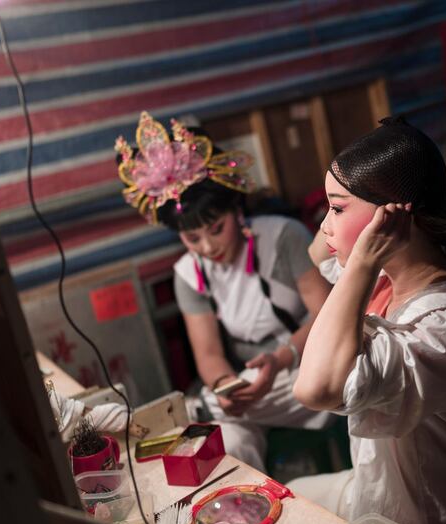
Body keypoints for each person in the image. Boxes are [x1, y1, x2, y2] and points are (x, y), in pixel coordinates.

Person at [289, 117, 446, 524]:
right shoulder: (379, 278)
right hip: (379, 490)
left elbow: (315, 389)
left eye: (337, 209)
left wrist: (360, 258)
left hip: (435, 518)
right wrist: (351, 182)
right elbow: (317, 255)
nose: (324, 225)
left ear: (392, 218)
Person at [115, 112, 332, 471]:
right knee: (222, 434)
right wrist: (224, 385)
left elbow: (328, 315)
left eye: (216, 229)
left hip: (305, 361)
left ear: (236, 208)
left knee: (323, 382)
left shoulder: (282, 236)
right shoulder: (187, 273)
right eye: (191, 238)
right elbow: (209, 353)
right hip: (252, 385)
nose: (207, 246)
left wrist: (280, 360)